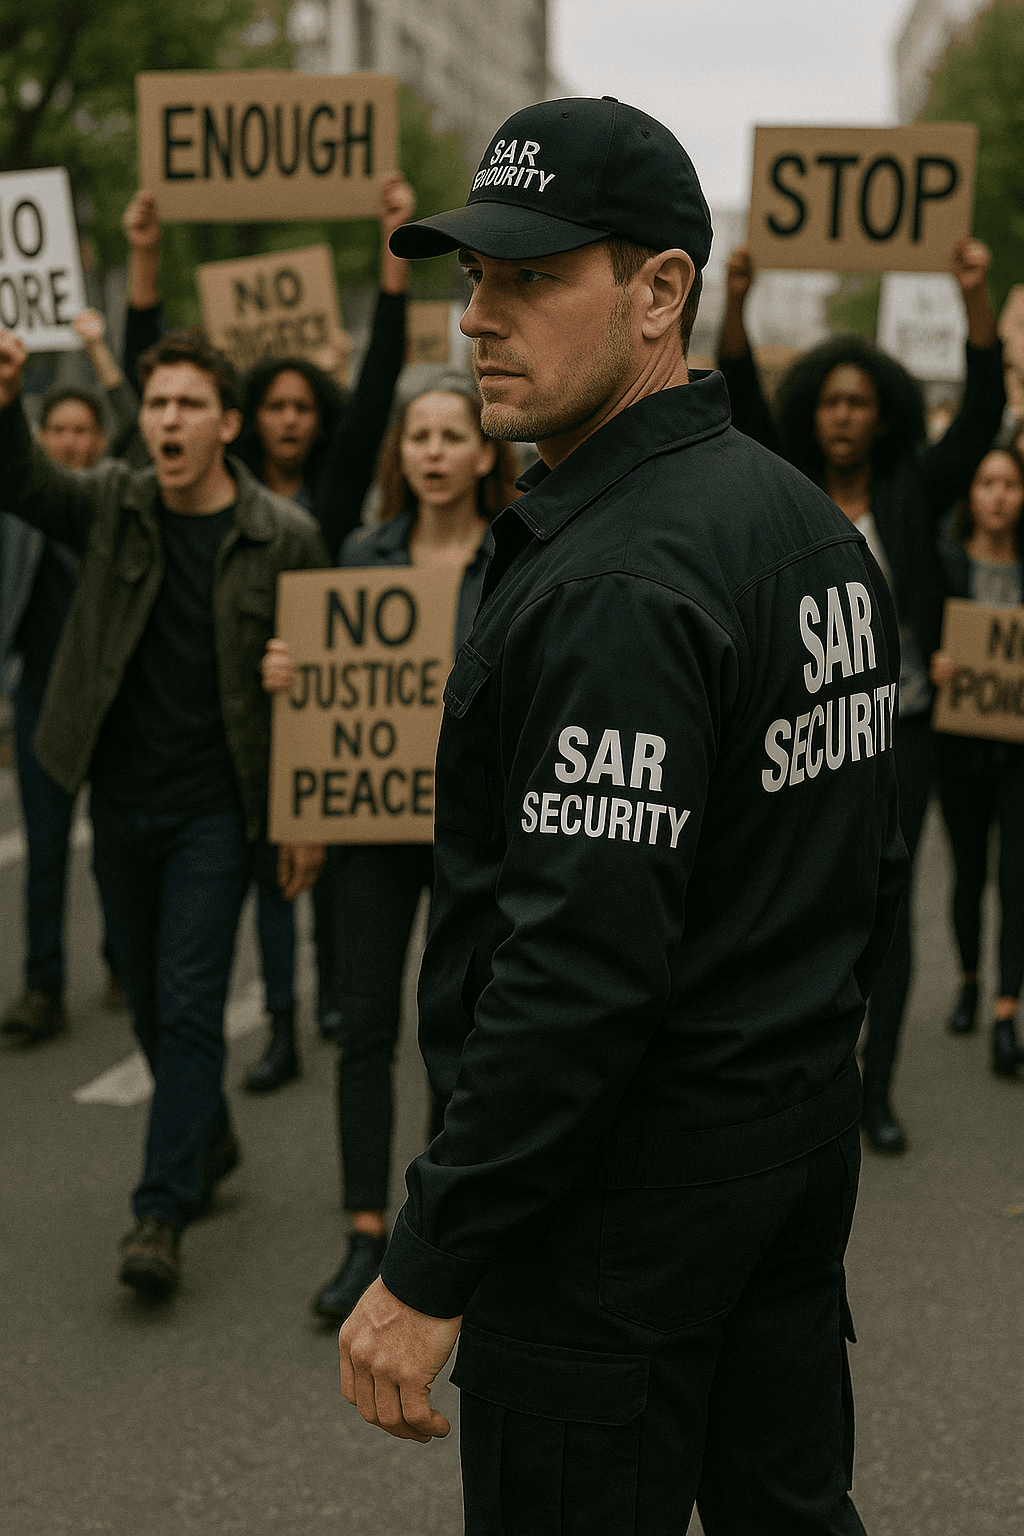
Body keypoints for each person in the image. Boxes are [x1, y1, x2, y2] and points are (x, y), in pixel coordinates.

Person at [335, 96, 906, 1535]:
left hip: (610, 1217)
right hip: (780, 1155)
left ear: (661, 291)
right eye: (473, 277)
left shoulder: (617, 580)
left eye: (533, 278)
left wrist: (427, 1263)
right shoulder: (803, 526)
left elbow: (578, 973)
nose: (480, 317)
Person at [0, 324, 328, 1299]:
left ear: (227, 423)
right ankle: (210, 1136)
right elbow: (20, 483)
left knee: (187, 1005)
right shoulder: (112, 503)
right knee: (147, 1002)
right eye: (157, 406)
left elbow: (322, 693)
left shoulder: (288, 538)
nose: (169, 420)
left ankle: (158, 1212)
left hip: (216, 812)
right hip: (122, 799)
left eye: (189, 405)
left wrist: (296, 693)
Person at [121, 181, 416, 1089]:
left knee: (313, 874)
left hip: (318, 705)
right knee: (262, 888)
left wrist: (392, 251)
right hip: (230, 716)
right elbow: (144, 374)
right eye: (274, 407)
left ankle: (321, 1002)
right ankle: (284, 1026)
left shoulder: (326, 499)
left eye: (304, 408)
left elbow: (377, 384)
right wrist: (141, 262)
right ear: (248, 419)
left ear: (318, 420)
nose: (290, 420)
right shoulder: (225, 483)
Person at [717, 240, 1005, 1155]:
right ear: (814, 412)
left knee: (889, 897)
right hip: (799, 737)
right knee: (800, 899)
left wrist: (974, 295)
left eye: (862, 403)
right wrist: (738, 296)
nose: (844, 417)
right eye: (831, 401)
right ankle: (803, 1077)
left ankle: (871, 1092)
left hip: (904, 728)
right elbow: (736, 389)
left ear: (884, 417)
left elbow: (988, 407)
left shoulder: (912, 493)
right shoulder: (784, 487)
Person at [262, 370, 519, 1321]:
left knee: (464, 1024)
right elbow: (335, 702)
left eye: (455, 435)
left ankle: (441, 1226)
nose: (437, 453)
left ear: (487, 451)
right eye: (421, 438)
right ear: (399, 454)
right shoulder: (360, 555)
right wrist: (293, 671)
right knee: (365, 1027)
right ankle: (364, 1230)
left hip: (476, 834)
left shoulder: (519, 555)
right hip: (373, 827)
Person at [0, 310, 137, 1044]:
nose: (72, 442)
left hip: (111, 699)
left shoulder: (119, 504)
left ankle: (122, 961)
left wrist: (95, 347)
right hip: (40, 700)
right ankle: (42, 987)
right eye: (58, 431)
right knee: (45, 853)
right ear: (40, 438)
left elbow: (142, 435)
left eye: (85, 430)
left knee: (114, 842)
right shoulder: (21, 507)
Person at [930, 445, 1024, 1074]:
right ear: (973, 493)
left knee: (1016, 881)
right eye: (988, 482)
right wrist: (939, 663)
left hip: (1019, 756)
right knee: (968, 873)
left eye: (1011, 484)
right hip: (959, 750)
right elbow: (918, 630)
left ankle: (1005, 1010)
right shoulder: (945, 563)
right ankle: (968, 978)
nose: (999, 496)